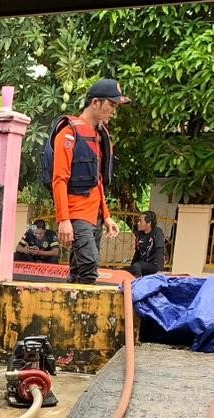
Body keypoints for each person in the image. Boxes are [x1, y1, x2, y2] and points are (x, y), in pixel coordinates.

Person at [51, 78, 129, 284]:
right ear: (95, 102)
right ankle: (85, 314)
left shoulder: (98, 136)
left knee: (78, 271)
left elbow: (98, 181)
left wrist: (107, 216)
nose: (114, 111)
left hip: (94, 216)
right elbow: (59, 179)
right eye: (111, 105)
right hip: (77, 214)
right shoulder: (68, 134)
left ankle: (70, 313)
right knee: (89, 266)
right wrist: (64, 220)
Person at [129, 211, 167, 277]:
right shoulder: (139, 234)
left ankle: (139, 284)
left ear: (149, 223)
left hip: (154, 265)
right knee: (126, 270)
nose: (138, 223)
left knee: (137, 266)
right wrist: (131, 266)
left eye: (141, 221)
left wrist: (160, 271)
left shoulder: (157, 232)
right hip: (142, 264)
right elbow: (137, 253)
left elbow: (160, 251)